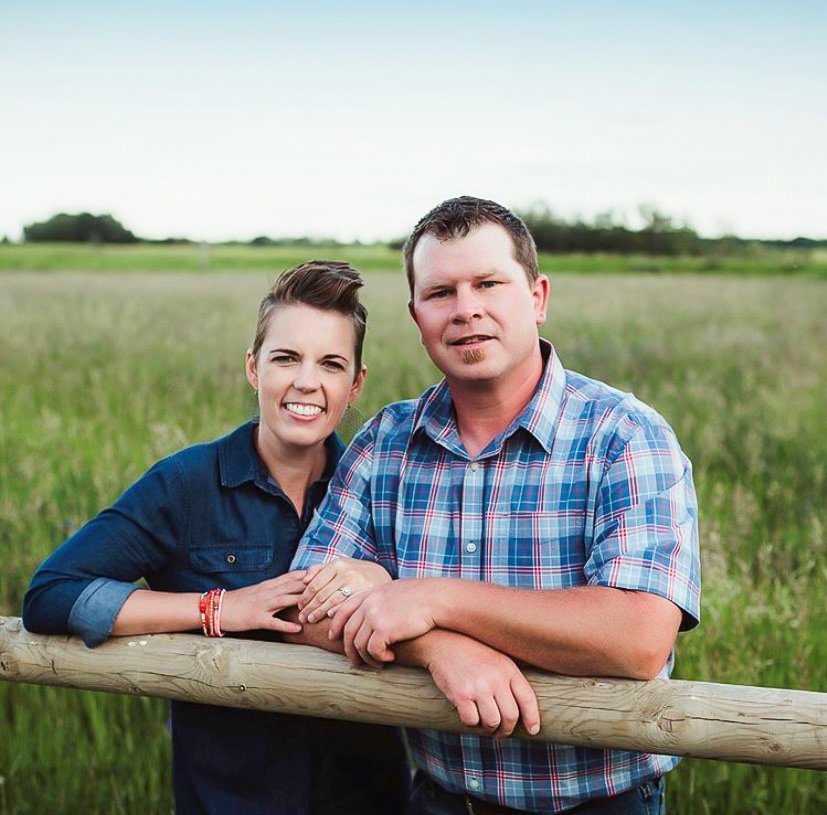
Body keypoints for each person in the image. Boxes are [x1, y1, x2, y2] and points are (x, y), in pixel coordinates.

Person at [292, 197, 701, 815]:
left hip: (600, 803)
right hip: (442, 799)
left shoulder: (623, 435)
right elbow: (303, 607)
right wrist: (438, 649)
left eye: (488, 284)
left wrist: (433, 600)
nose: (466, 310)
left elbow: (638, 637)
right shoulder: (385, 443)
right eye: (441, 293)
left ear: (537, 297)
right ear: (417, 316)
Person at [22, 261, 411, 815]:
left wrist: (383, 578)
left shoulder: (385, 488)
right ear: (254, 367)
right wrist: (219, 608)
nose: (306, 381)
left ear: (356, 384)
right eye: (286, 358)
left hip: (368, 799)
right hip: (230, 799)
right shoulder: (186, 485)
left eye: (330, 363)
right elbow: (51, 593)